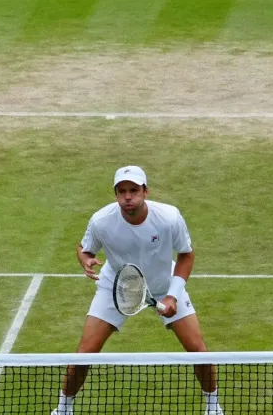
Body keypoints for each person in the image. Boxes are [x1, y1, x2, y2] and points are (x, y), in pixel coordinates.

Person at [51, 166, 224, 415]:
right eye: (122, 191)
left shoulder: (169, 218)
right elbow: (84, 247)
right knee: (84, 354)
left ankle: (212, 407)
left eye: (133, 190)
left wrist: (173, 294)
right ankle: (63, 410)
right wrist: (85, 260)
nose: (128, 197)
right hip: (118, 285)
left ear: (145, 191)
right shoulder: (101, 221)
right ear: (115, 195)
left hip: (164, 283)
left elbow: (186, 254)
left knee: (199, 352)